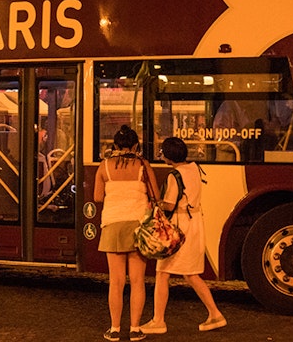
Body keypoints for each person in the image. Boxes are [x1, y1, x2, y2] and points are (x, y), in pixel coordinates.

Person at [140, 137, 226, 335]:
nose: (161, 156)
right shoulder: (195, 168)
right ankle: (215, 314)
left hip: (179, 227)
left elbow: (170, 205)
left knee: (162, 273)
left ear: (169, 156)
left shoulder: (174, 176)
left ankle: (158, 321)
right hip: (195, 223)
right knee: (191, 273)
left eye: (162, 153)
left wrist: (155, 204)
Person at [94, 125, 158, 342]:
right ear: (136, 146)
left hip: (112, 225)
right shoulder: (143, 165)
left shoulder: (104, 167)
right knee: (138, 280)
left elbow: (97, 197)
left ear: (114, 145)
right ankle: (135, 328)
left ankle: (114, 329)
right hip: (138, 227)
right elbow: (155, 195)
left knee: (116, 281)